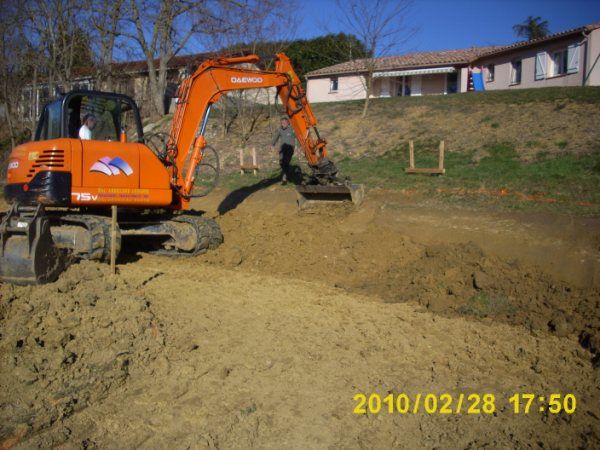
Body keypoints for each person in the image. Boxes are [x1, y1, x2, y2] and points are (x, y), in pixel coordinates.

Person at [271, 116, 296, 185]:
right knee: (281, 162)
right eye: (282, 123)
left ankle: (284, 178)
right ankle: (288, 174)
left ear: (288, 123)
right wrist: (272, 145)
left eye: (284, 123)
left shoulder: (292, 129)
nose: (283, 124)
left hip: (290, 148)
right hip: (282, 149)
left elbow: (298, 137)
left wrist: (299, 147)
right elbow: (276, 137)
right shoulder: (280, 130)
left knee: (286, 162)